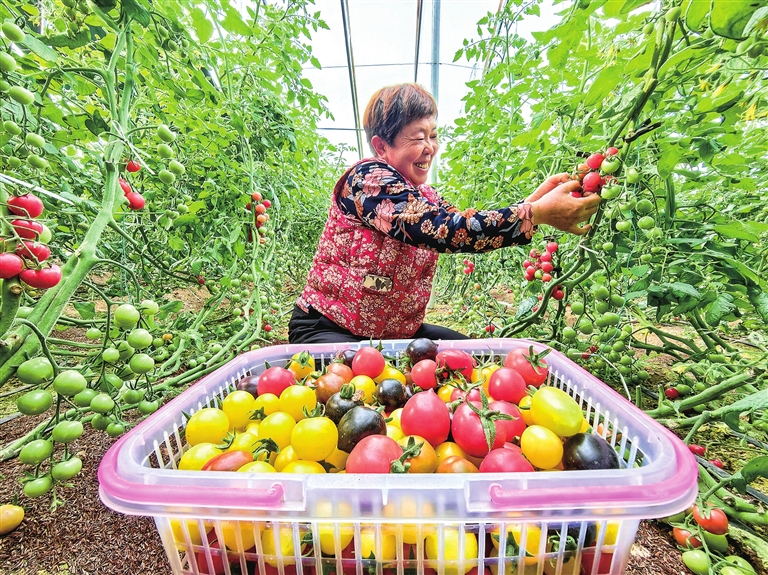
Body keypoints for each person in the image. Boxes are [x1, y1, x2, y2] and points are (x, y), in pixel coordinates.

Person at [288, 83, 600, 344]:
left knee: (476, 357)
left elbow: (465, 228)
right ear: (381, 146)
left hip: (392, 336)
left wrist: (535, 202)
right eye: (418, 136)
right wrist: (536, 213)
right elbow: (443, 231)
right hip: (328, 329)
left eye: (433, 135)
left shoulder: (425, 196)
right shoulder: (368, 180)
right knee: (369, 397)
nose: (430, 147)